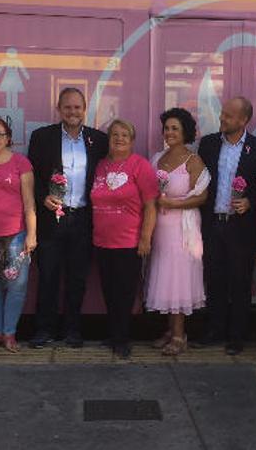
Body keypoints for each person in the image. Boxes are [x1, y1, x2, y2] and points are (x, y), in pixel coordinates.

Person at [27, 88, 108, 348]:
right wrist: (43, 198)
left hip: (83, 219)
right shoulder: (42, 137)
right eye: (67, 107)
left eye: (77, 107)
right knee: (48, 276)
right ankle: (44, 329)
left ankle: (73, 330)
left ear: (85, 109)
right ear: (59, 109)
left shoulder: (99, 140)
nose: (73, 112)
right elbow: (33, 178)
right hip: (52, 219)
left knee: (77, 279)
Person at [196, 97, 256, 355]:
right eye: (223, 114)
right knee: (214, 279)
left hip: (241, 227)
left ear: (243, 120)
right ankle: (215, 330)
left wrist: (251, 201)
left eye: (228, 116)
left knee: (240, 282)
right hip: (213, 223)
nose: (222, 119)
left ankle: (237, 335)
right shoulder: (207, 145)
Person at [90, 119, 158, 359]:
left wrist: (145, 238)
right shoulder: (99, 166)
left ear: (132, 140)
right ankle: (113, 333)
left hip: (128, 242)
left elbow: (151, 206)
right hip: (101, 241)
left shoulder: (140, 166)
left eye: (124, 135)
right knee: (108, 292)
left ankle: (122, 338)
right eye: (115, 135)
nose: (119, 139)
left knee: (125, 293)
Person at [146, 108, 209, 355]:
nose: (169, 133)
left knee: (180, 278)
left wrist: (173, 204)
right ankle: (170, 330)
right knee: (164, 276)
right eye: (167, 128)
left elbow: (202, 196)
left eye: (175, 128)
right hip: (160, 228)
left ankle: (180, 335)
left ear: (185, 132)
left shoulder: (193, 161)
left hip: (183, 229)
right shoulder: (156, 158)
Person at [0, 117, 37, 353]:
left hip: (16, 234)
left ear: (8, 137)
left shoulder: (21, 163)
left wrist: (32, 235)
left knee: (16, 286)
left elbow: (29, 202)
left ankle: (10, 333)